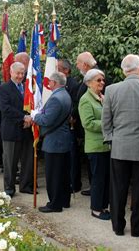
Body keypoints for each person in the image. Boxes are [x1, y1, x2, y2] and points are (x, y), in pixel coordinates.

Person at [103, 55, 139, 236]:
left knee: (118, 189)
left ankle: (117, 226)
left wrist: (110, 138)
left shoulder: (112, 90)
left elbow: (106, 120)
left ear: (123, 70)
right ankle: (138, 228)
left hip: (119, 147)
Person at [32, 72, 72, 213]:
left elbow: (47, 120)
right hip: (63, 140)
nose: (48, 84)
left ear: (54, 83)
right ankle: (64, 200)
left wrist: (34, 116)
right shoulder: (65, 94)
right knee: (63, 174)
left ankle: (55, 204)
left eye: (49, 82)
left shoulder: (56, 98)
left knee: (54, 174)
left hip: (55, 141)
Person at [0, 62, 34, 197]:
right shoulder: (3, 88)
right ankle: (9, 189)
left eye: (22, 73)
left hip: (27, 129)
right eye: (17, 73)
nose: (20, 76)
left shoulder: (28, 87)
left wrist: (30, 118)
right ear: (11, 72)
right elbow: (5, 109)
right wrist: (23, 118)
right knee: (10, 162)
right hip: (11, 130)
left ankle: (25, 186)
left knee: (27, 160)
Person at [78, 69, 112, 220]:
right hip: (95, 146)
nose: (102, 83)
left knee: (106, 178)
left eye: (103, 80)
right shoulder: (85, 99)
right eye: (98, 80)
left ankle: (104, 206)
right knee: (98, 179)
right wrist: (109, 123)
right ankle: (96, 209)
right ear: (89, 82)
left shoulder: (101, 97)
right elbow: (88, 123)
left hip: (107, 146)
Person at [74, 52, 99, 196]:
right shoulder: (87, 77)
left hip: (93, 129)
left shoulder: (96, 76)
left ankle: (96, 189)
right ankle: (94, 186)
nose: (76, 66)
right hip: (86, 127)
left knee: (95, 164)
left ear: (84, 64)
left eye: (78, 63)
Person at [57, 59, 81, 192]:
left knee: (72, 156)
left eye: (59, 68)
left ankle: (74, 183)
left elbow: (74, 104)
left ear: (66, 70)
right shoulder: (60, 83)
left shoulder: (73, 84)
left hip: (70, 125)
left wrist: (71, 116)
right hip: (60, 126)